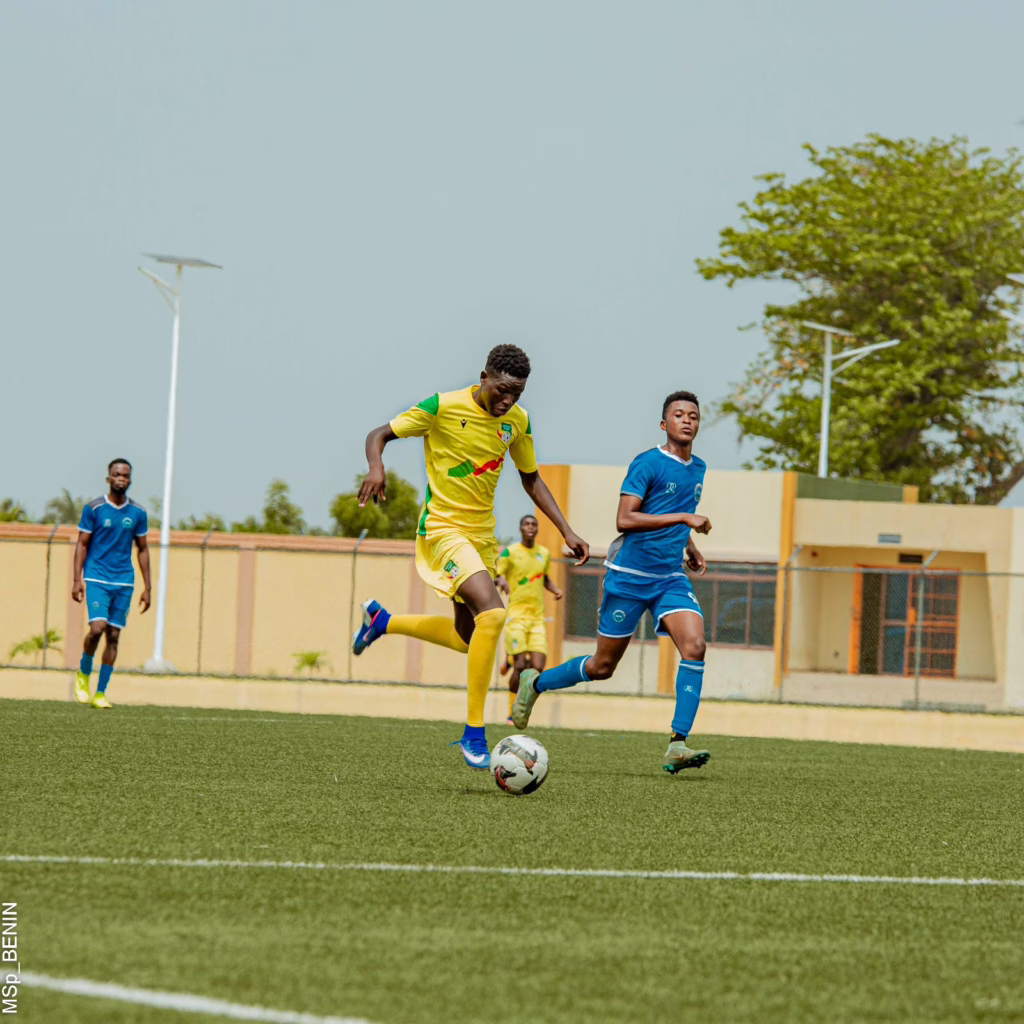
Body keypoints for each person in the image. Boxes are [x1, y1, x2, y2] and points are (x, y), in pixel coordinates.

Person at [351, 344, 589, 770]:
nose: (507, 401)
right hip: (443, 529)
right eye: (501, 390)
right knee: (494, 616)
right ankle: (474, 732)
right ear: (483, 377)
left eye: (516, 393)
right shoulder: (443, 406)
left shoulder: (517, 421)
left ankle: (382, 622)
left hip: (480, 538)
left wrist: (566, 530)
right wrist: (376, 466)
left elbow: (531, 480)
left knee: (467, 640)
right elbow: (378, 434)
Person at [511, 390, 712, 773]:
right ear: (664, 424)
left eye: (694, 416)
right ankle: (534, 684)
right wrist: (686, 520)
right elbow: (626, 519)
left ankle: (678, 744)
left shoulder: (698, 468)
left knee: (696, 645)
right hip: (629, 577)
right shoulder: (648, 463)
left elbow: (671, 512)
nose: (687, 421)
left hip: (670, 577)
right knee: (603, 666)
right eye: (679, 415)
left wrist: (688, 547)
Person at [72, 459, 151, 709]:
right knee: (97, 629)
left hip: (123, 581)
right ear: (108, 478)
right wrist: (77, 580)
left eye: (125, 475)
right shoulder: (94, 508)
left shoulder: (137, 513)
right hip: (96, 577)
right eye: (116, 474)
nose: (120, 478)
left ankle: (100, 693)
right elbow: (82, 544)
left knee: (113, 636)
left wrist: (148, 587)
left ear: (130, 480)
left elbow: (143, 549)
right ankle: (84, 673)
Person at [495, 514, 562, 717]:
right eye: (526, 524)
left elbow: (544, 578)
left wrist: (556, 589)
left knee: (537, 668)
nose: (530, 527)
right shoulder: (510, 552)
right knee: (521, 667)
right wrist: (502, 581)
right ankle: (512, 712)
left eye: (533, 524)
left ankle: (509, 659)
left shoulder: (544, 553)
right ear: (520, 528)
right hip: (516, 616)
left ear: (537, 529)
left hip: (537, 618)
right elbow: (496, 575)